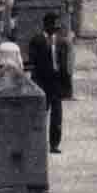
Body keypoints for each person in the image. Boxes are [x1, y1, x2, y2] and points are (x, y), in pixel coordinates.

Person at [27, 13, 73, 153]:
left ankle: (54, 144)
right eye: (53, 25)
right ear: (46, 25)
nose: (56, 28)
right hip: (42, 81)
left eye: (57, 25)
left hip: (56, 82)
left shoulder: (61, 42)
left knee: (57, 115)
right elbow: (33, 61)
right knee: (40, 114)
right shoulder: (37, 40)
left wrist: (67, 86)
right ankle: (37, 142)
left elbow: (65, 65)